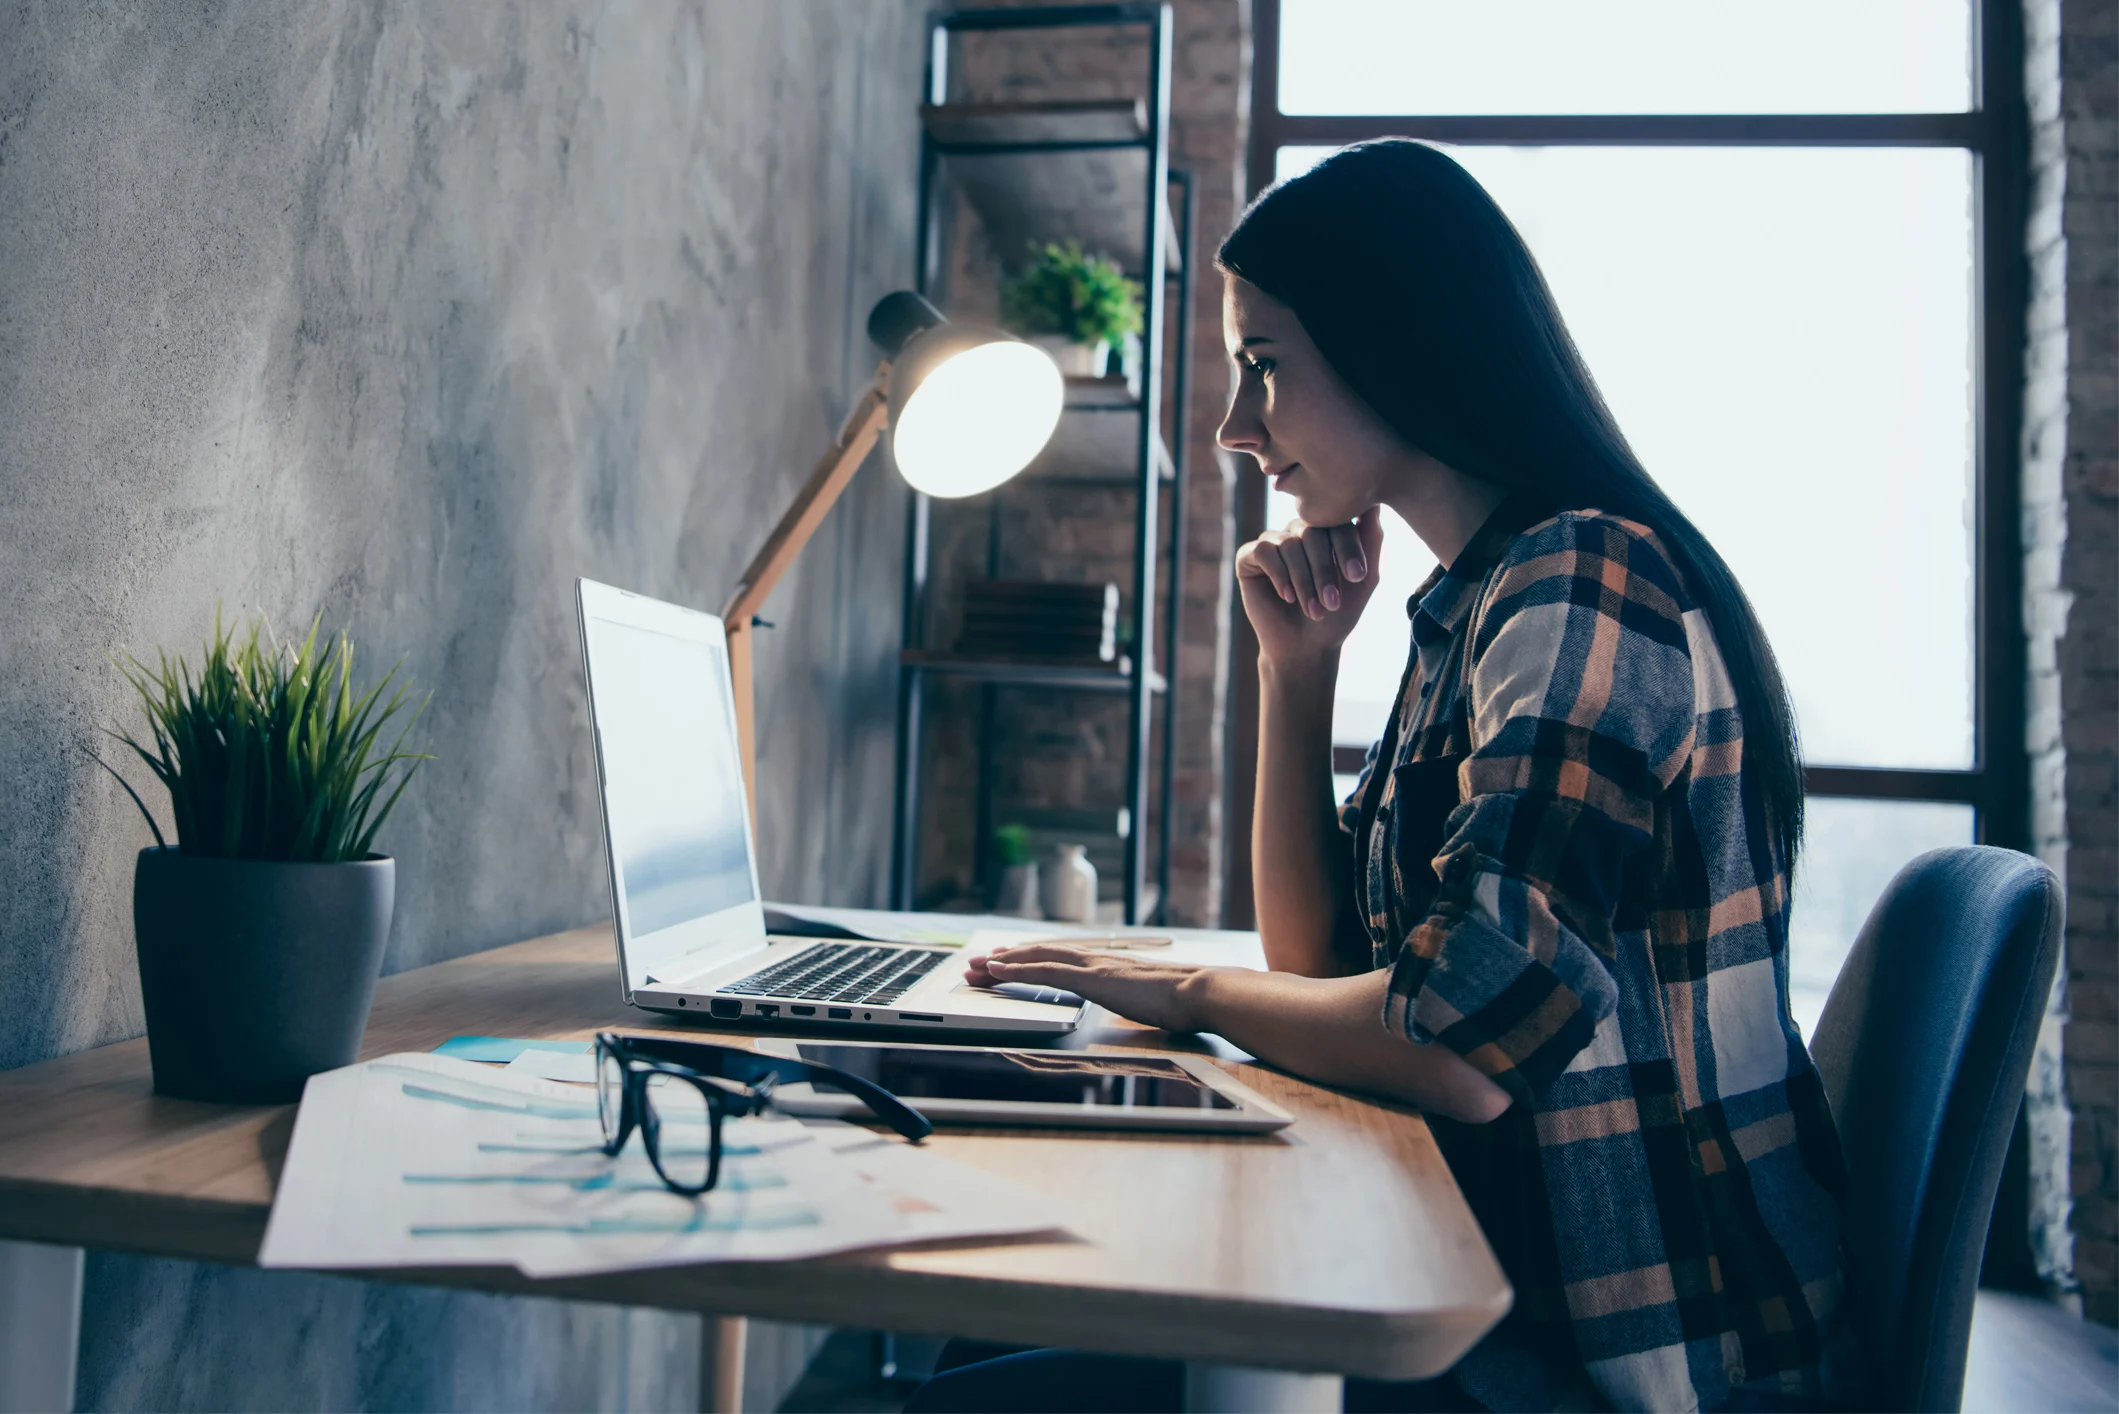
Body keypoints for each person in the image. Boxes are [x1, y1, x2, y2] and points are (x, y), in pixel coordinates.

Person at [909, 140, 1860, 1414]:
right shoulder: (1476, 606)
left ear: (1399, 343)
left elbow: (1458, 1044)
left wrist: (1185, 987)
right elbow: (1321, 965)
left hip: (1642, 1358)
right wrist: (1296, 677)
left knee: (981, 1398)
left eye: (1263, 368)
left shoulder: (1582, 583)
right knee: (983, 1358)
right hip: (1532, 1291)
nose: (1233, 427)